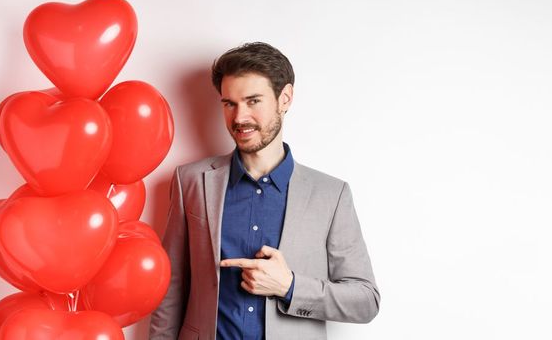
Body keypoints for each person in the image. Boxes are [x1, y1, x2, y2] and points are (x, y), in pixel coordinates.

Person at [149, 42, 379, 340]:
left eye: (253, 101)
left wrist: (290, 287)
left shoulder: (331, 195)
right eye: (229, 103)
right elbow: (171, 287)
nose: (239, 117)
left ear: (285, 98)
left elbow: (365, 301)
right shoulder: (190, 180)